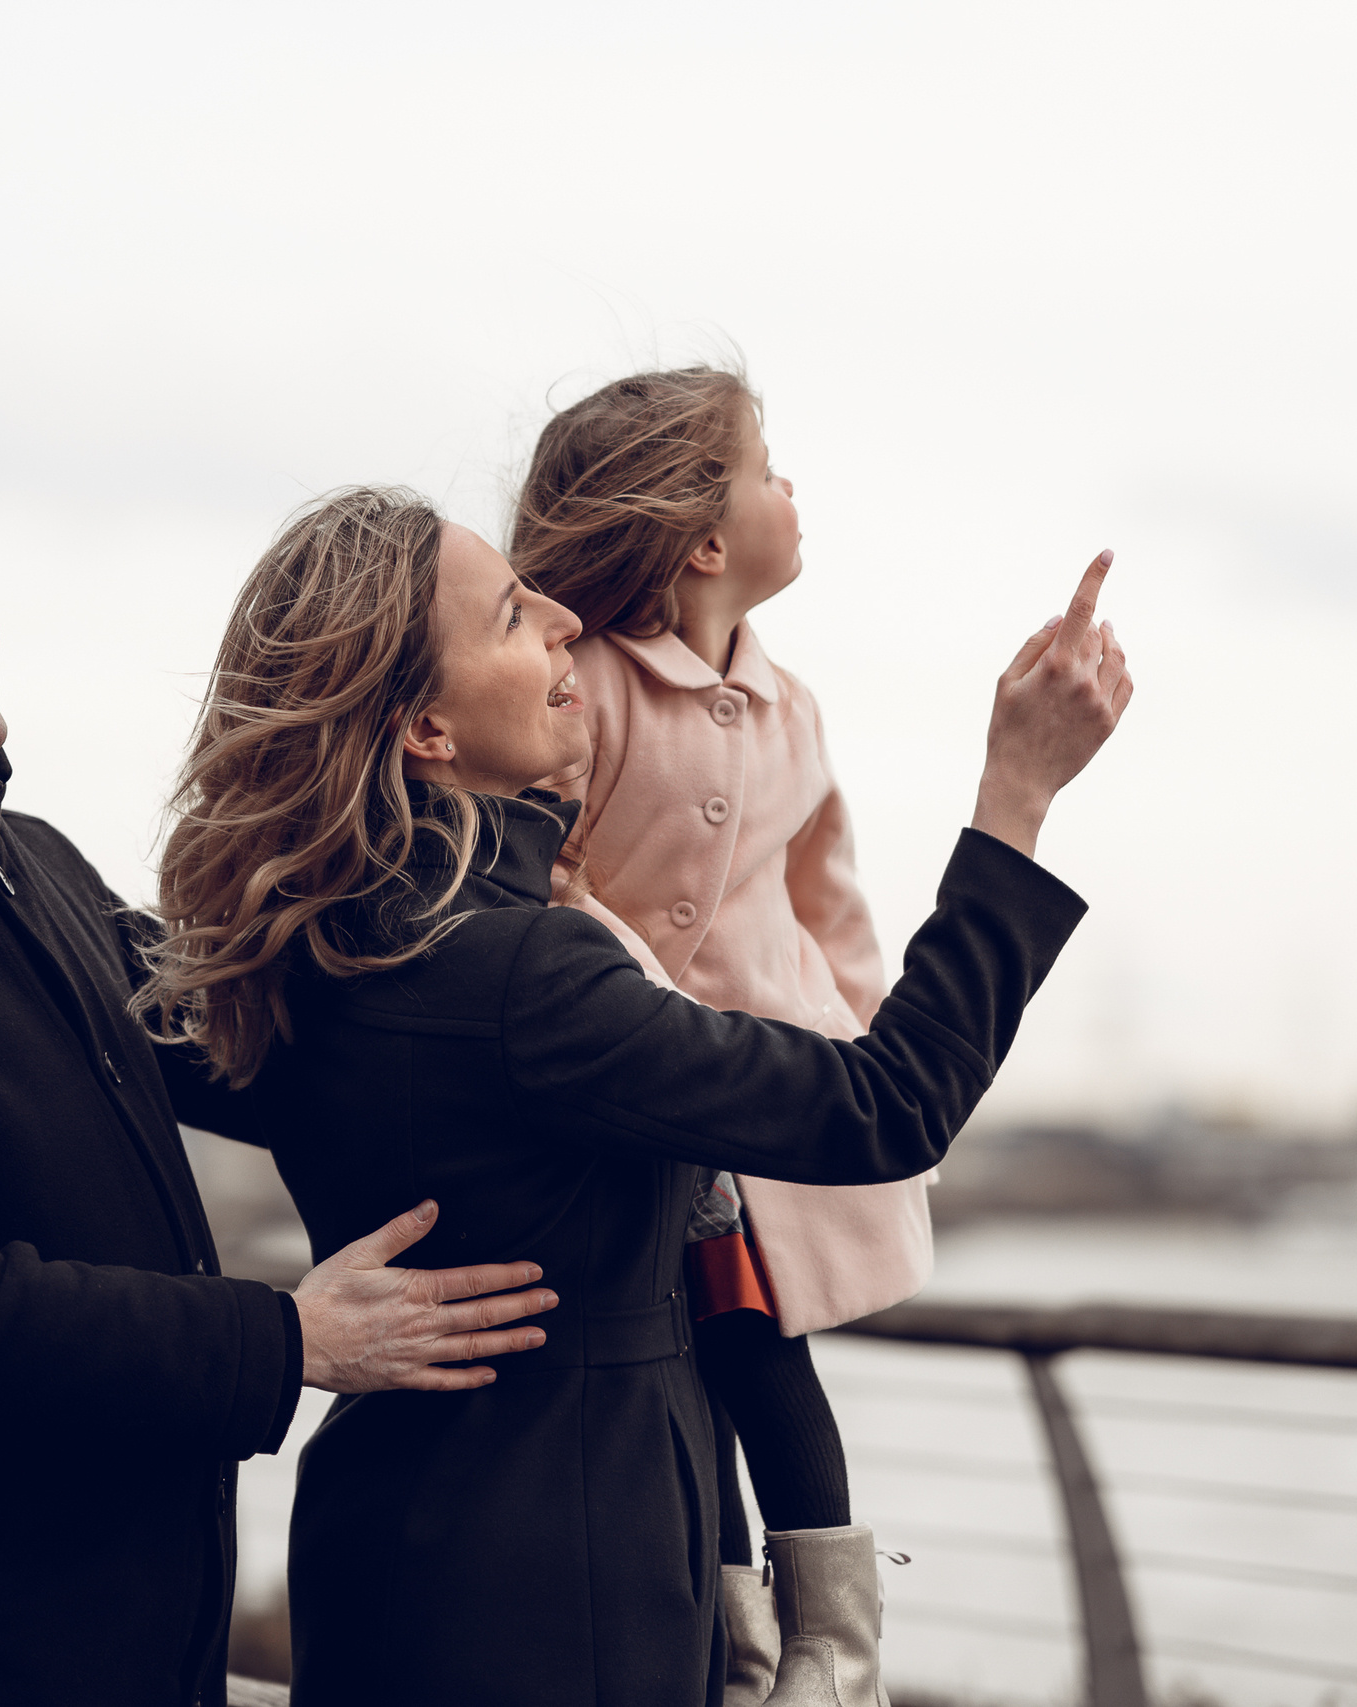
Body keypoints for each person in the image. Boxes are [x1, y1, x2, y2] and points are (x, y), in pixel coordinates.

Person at [142, 486, 1129, 1706]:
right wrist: (1016, 796)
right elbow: (885, 1108)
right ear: (426, 730)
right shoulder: (525, 976)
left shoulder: (307, 949)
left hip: (383, 1555)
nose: (565, 620)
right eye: (513, 615)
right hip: (569, 1598)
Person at [0, 439, 558, 1707]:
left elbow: (262, 1049)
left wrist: (537, 978)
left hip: (121, 1651)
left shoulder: (30, 862)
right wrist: (290, 1337)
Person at [508, 366, 935, 1701]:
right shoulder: (581, 686)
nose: (791, 489)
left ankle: (833, 1658)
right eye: (767, 468)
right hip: (633, 1104)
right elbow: (547, 882)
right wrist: (644, 1002)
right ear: (701, 538)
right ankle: (743, 1659)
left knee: (761, 1357)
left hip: (766, 1112)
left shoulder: (791, 704)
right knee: (686, 1383)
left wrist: (870, 1055)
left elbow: (829, 892)